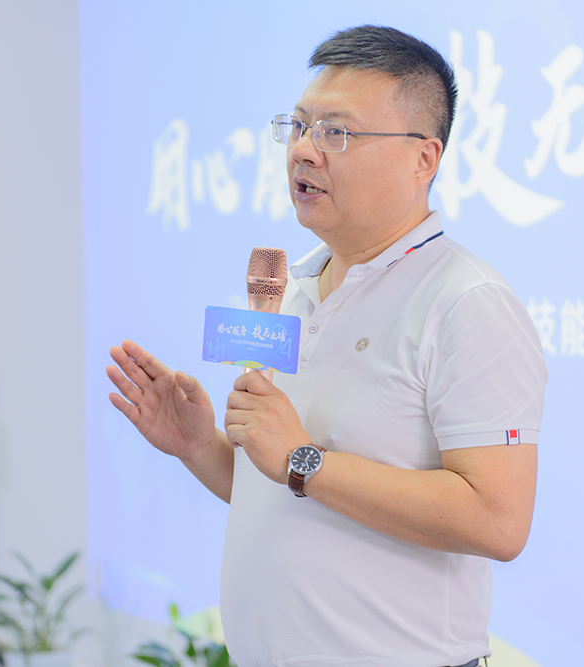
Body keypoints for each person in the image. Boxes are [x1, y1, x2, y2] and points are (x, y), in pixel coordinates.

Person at [107, 25, 547, 667]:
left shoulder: (465, 302)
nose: (304, 151)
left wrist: (301, 457)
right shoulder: (291, 287)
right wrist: (200, 447)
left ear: (423, 159)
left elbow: (498, 521)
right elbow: (288, 488)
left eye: (337, 132)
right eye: (299, 126)